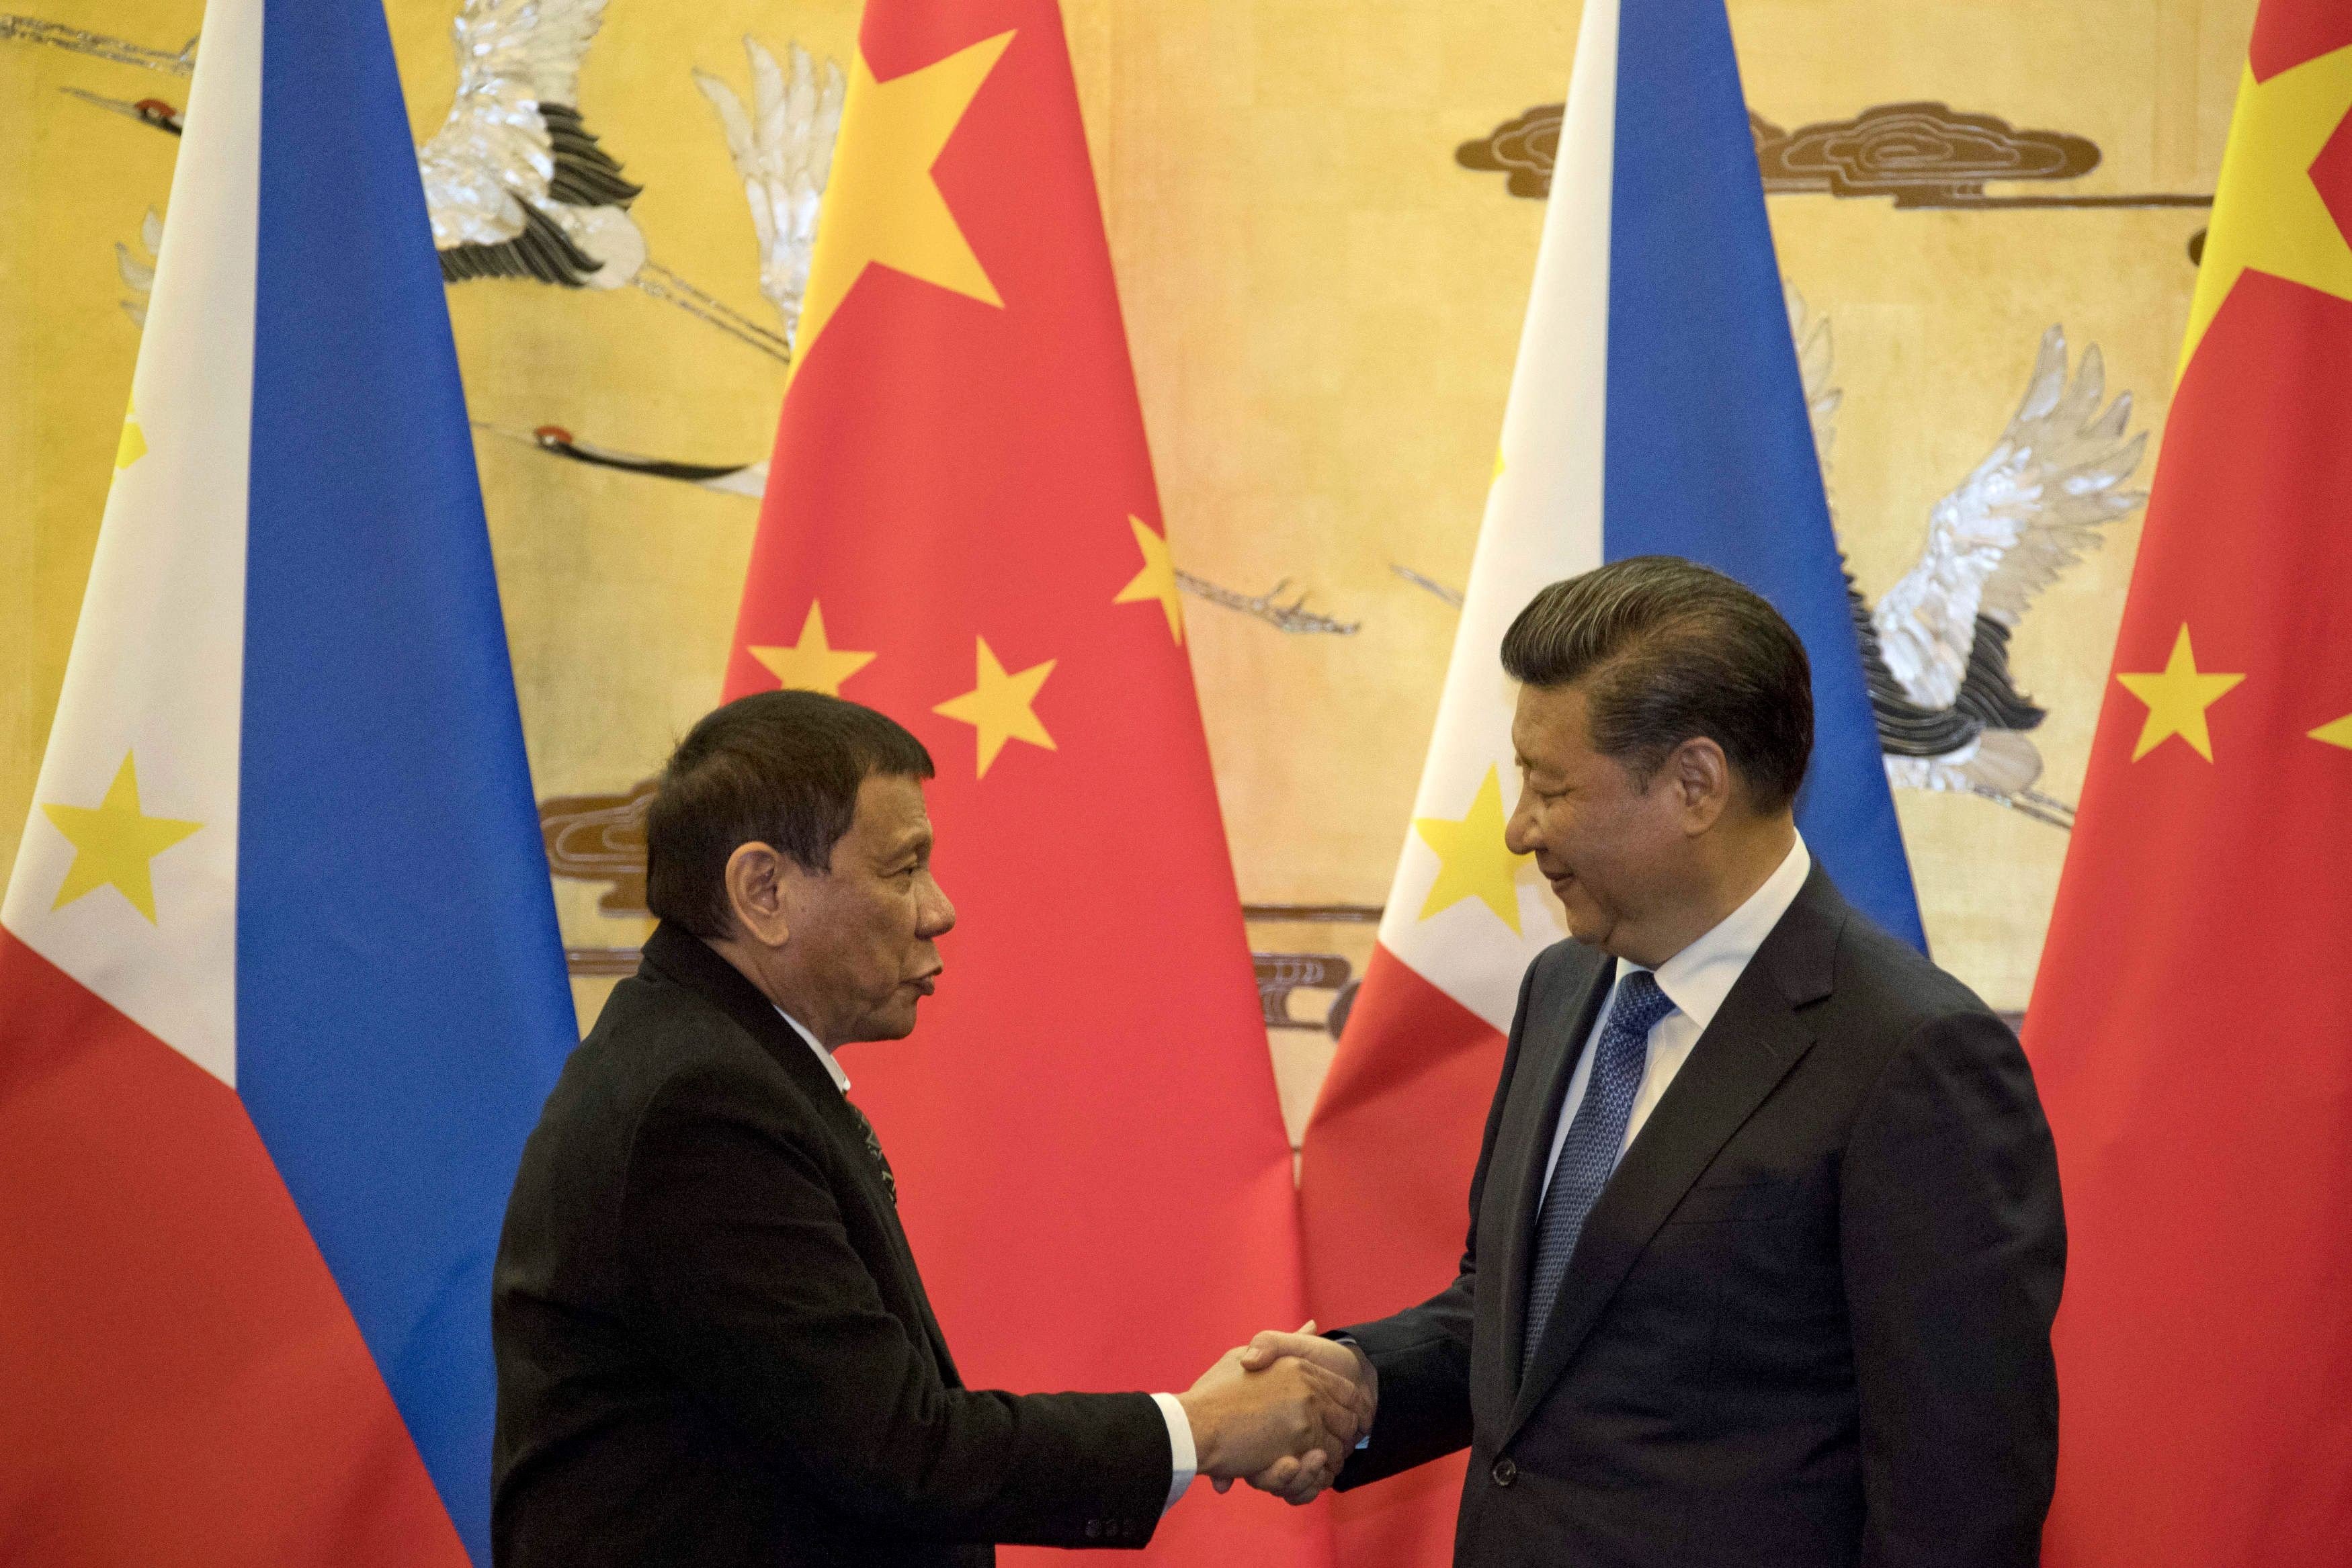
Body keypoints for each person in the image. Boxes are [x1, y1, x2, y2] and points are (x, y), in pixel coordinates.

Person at [1241, 557, 2067, 1565]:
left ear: (1694, 784)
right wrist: (1364, 1382)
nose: (1517, 828)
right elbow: (1529, 1313)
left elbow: (1958, 1505)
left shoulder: (1914, 1057)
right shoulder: (1562, 988)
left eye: (1551, 788)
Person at [491, 691, 1366, 1567]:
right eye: (904, 868)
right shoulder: (699, 1105)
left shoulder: (708, 1058)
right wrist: (1202, 1428)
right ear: (764, 889)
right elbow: (898, 1452)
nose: (939, 909)